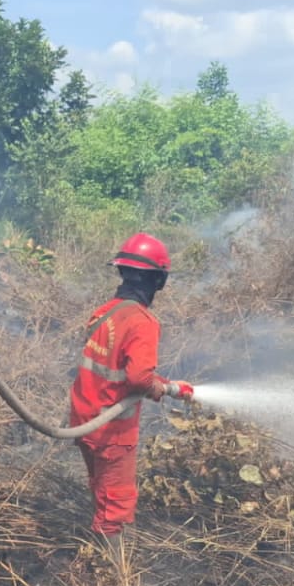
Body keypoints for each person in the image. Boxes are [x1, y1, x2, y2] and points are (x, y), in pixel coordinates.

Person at [68, 233, 193, 562]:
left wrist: (164, 383)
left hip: (84, 419)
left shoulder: (106, 312)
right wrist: (163, 389)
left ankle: (98, 548)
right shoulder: (142, 322)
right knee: (117, 501)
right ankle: (112, 574)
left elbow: (118, 367)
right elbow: (138, 378)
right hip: (112, 429)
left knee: (101, 487)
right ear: (158, 279)